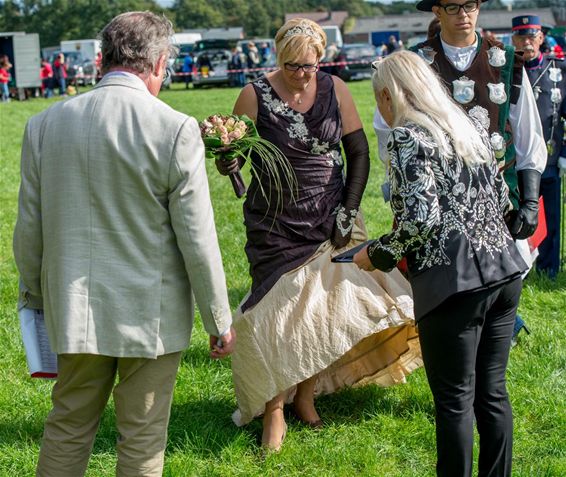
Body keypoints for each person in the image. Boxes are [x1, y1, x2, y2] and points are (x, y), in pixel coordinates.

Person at [13, 11, 235, 476]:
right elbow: (198, 237)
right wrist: (218, 317)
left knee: (68, 426)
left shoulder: (43, 124)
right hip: (149, 315)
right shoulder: (174, 128)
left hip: (73, 307)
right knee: (143, 437)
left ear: (102, 58)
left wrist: (35, 298)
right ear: (158, 63)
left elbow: (28, 229)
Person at [216, 18, 421, 452]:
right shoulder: (254, 94)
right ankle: (274, 409)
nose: (301, 74)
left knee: (319, 312)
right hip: (274, 220)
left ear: (320, 59)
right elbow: (232, 154)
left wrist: (348, 209)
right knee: (273, 312)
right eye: (292, 66)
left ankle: (305, 396)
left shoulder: (335, 88)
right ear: (278, 58)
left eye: (309, 66)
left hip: (330, 214)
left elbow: (359, 152)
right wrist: (227, 161)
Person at [356, 50, 527, 477]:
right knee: (492, 394)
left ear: (391, 94)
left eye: (380, 97)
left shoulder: (408, 136)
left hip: (456, 282)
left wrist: (375, 253)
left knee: (454, 403)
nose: (381, 106)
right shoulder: (466, 124)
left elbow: (421, 219)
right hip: (504, 270)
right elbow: (501, 198)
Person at [374, 0, 547, 343]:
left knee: (501, 280)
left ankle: (494, 350)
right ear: (436, 11)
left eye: (470, 5)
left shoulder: (505, 58)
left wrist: (528, 199)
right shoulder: (413, 62)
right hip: (439, 206)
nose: (463, 14)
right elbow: (387, 131)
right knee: (452, 295)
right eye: (453, 7)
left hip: (497, 198)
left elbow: (528, 134)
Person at [512, 14, 566, 279]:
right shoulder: (507, 70)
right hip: (516, 160)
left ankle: (549, 267)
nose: (527, 42)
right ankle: (520, 266)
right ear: (513, 39)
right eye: (521, 36)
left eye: (531, 36)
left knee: (551, 216)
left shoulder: (558, 70)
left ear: (541, 38)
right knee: (517, 215)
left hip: (550, 156)